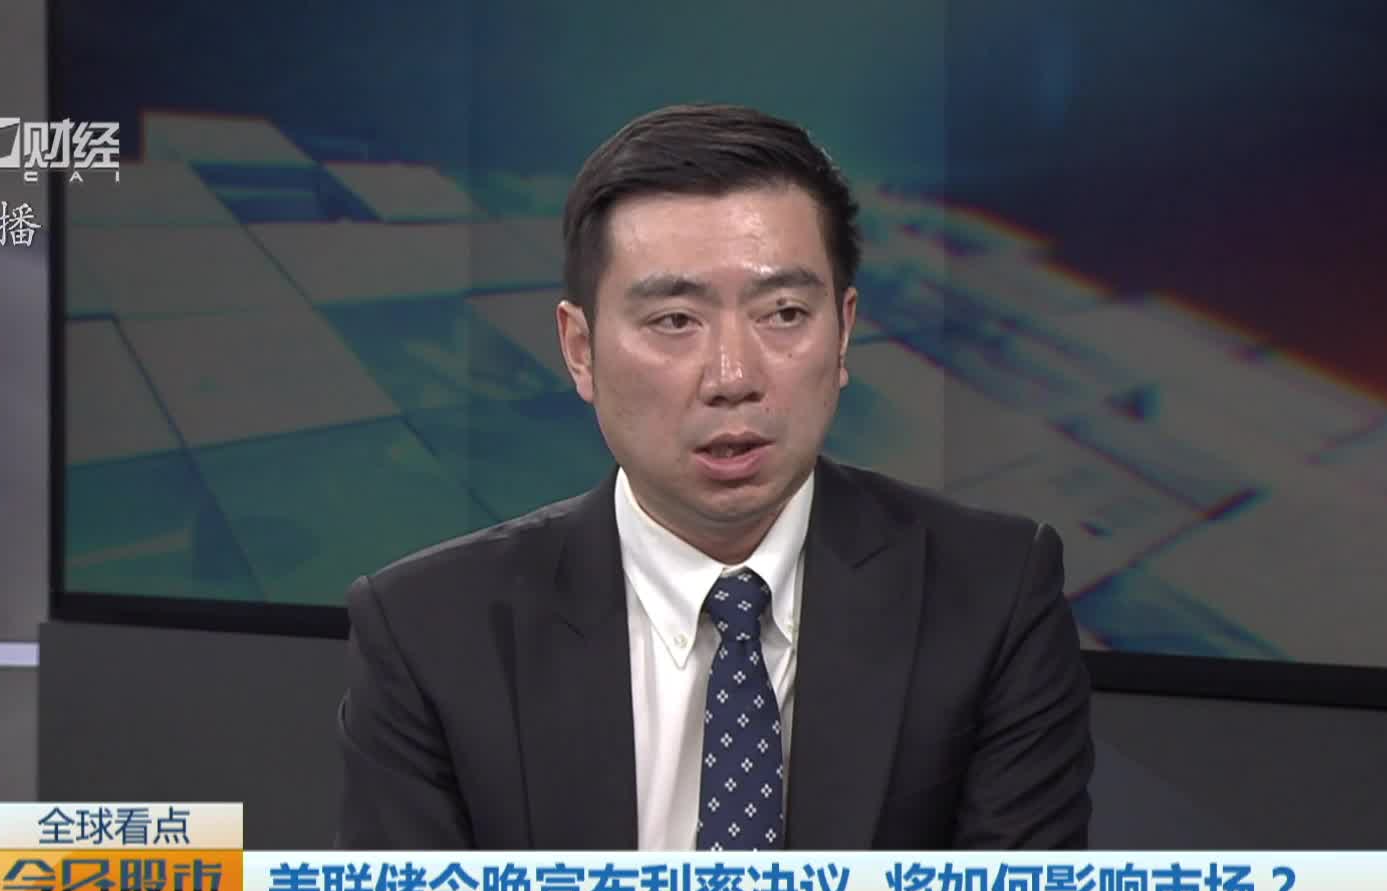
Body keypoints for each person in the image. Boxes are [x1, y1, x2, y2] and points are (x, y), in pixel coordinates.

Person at [336, 103, 1093, 851]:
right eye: (675, 321)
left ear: (844, 333)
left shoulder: (994, 597)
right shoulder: (430, 632)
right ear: (580, 349)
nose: (733, 377)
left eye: (784, 313)